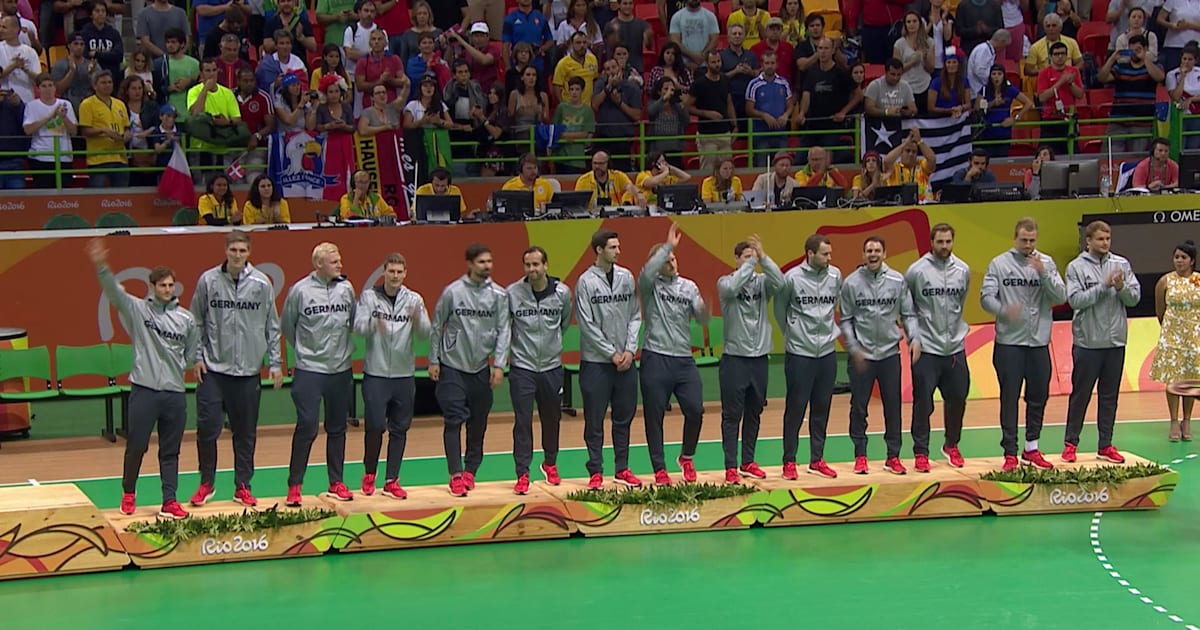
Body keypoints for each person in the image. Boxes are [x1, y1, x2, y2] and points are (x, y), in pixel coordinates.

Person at [87, 238, 198, 519]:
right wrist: (102, 266)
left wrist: (186, 365)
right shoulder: (138, 310)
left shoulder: (185, 319)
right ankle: (128, 492)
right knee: (136, 445)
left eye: (171, 285)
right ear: (153, 287)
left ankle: (169, 500)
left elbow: (192, 350)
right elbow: (114, 292)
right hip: (144, 391)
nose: (167, 289)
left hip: (174, 393)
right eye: (162, 285)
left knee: (170, 451)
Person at [188, 230, 283, 508]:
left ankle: (243, 485)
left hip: (248, 372)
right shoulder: (208, 281)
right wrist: (196, 357)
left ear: (249, 252)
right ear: (226, 251)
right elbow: (195, 322)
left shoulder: (261, 284)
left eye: (242, 251)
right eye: (233, 251)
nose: (238, 256)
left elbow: (272, 326)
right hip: (213, 370)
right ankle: (207, 483)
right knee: (207, 429)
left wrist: (275, 363)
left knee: (245, 432)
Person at [980, 217, 1067, 472]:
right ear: (1014, 238)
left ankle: (1031, 447)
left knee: (1038, 395)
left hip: (1039, 342)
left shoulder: (1047, 263)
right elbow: (986, 298)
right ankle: (1009, 452)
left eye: (1032, 240)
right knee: (1009, 397)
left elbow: (1061, 296)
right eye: (1023, 240)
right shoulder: (999, 263)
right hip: (1009, 343)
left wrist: (1044, 274)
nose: (1028, 245)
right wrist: (1005, 310)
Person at [430, 244, 510, 497]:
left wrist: (499, 364)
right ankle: (455, 474)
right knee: (454, 419)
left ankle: (470, 471)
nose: (487, 266)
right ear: (470, 264)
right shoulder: (452, 292)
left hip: (481, 369)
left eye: (489, 261)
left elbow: (504, 330)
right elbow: (436, 325)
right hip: (452, 366)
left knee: (478, 424)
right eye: (481, 262)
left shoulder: (499, 295)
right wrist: (434, 360)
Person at [282, 242, 357, 505]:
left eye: (340, 260)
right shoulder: (300, 291)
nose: (340, 265)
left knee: (338, 428)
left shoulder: (346, 289)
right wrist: (306, 351)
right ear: (319, 264)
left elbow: (353, 321)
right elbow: (288, 326)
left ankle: (336, 481)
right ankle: (295, 486)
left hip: (340, 370)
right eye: (334, 261)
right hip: (309, 370)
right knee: (307, 426)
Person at [840, 236, 921, 475]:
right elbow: (845, 320)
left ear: (885, 253)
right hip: (862, 356)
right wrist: (854, 347)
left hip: (889, 354)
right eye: (868, 250)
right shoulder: (851, 283)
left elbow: (908, 314)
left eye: (877, 250)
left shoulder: (898, 281)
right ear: (863, 254)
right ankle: (860, 455)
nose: (873, 254)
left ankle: (893, 456)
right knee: (858, 407)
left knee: (892, 407)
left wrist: (914, 338)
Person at [353, 253, 431, 500]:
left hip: (404, 375)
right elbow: (358, 327)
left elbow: (425, 332)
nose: (395, 276)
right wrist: (373, 325)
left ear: (405, 273)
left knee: (400, 429)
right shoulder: (369, 297)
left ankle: (392, 480)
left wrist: (419, 322)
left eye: (399, 272)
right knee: (375, 426)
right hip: (376, 374)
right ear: (384, 272)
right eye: (391, 271)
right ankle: (369, 472)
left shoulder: (414, 299)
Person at [1064, 221, 1140, 464]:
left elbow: (1134, 299)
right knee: (1081, 395)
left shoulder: (1122, 264)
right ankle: (1070, 444)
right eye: (1100, 239)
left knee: (1110, 397)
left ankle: (1105, 444)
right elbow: (1075, 300)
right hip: (1087, 343)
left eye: (1108, 238)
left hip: (1115, 342)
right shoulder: (1075, 267)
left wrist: (1121, 287)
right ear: (1088, 241)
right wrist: (1103, 286)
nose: (1105, 243)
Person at [639, 223, 708, 485]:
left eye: (674, 259)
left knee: (695, 409)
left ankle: (686, 457)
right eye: (666, 261)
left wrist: (703, 311)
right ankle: (659, 468)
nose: (672, 263)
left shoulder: (689, 287)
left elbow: (700, 317)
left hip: (683, 361)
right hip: (655, 357)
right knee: (654, 415)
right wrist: (668, 245)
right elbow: (646, 273)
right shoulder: (649, 286)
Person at [576, 229, 642, 489]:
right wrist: (610, 353)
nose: (618, 251)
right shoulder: (585, 282)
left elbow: (635, 315)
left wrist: (629, 350)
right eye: (613, 247)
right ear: (599, 250)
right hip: (596, 363)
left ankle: (622, 468)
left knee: (623, 418)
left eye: (618, 246)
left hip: (626, 361)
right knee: (594, 419)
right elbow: (586, 323)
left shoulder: (627, 277)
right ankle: (595, 471)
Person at [774, 234, 841, 479]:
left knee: (822, 407)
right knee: (796, 409)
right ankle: (789, 462)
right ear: (810, 254)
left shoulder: (835, 276)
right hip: (800, 354)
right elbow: (779, 309)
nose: (829, 258)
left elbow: (835, 305)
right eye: (825, 254)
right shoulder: (791, 278)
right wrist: (792, 335)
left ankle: (817, 459)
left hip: (826, 353)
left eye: (830, 254)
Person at [718, 235, 784, 482]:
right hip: (735, 359)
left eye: (752, 257)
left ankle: (748, 461)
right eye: (746, 257)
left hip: (759, 359)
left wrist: (763, 257)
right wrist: (749, 265)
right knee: (732, 415)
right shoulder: (725, 282)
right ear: (736, 260)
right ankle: (730, 466)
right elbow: (734, 288)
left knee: (754, 412)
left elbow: (781, 282)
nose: (750, 262)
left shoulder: (762, 283)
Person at [905, 223, 971, 470]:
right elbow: (907, 309)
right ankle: (920, 452)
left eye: (948, 242)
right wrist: (914, 338)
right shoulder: (916, 271)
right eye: (940, 242)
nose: (944, 246)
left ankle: (951, 445)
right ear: (931, 242)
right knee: (923, 403)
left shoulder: (963, 270)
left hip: (954, 348)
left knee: (958, 398)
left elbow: (960, 303)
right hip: (926, 349)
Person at [506, 246, 572, 493]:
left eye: (536, 264)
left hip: (552, 367)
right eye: (527, 265)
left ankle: (550, 464)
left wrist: (551, 347)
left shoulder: (562, 293)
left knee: (551, 418)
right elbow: (506, 327)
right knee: (522, 421)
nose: (532, 269)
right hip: (522, 368)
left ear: (546, 266)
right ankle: (522, 473)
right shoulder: (512, 293)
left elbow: (564, 323)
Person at [1152, 240, 1200, 442]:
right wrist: (1169, 328)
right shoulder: (1165, 281)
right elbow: (1159, 309)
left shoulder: (1198, 280)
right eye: (1176, 257)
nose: (1179, 261)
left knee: (1190, 379)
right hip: (1172, 336)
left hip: (1194, 335)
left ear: (1192, 261)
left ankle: (1187, 420)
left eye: (1183, 257)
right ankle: (1173, 420)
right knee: (1173, 380)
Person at [574, 150, 642, 208]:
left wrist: (639, 194)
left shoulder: (618, 176)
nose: (597, 166)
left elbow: (629, 186)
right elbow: (577, 204)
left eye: (601, 164)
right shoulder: (583, 180)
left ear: (608, 164)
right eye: (595, 163)